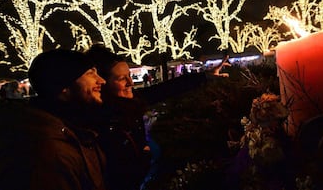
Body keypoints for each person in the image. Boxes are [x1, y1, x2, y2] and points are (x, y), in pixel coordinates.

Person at [84, 44, 231, 190]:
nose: (130, 82)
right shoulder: (98, 122)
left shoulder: (131, 103)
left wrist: (205, 76)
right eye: (122, 78)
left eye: (129, 75)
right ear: (103, 83)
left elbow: (165, 89)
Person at [0, 49, 107, 190]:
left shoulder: (68, 130)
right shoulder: (46, 150)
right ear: (63, 85)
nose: (102, 80)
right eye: (90, 74)